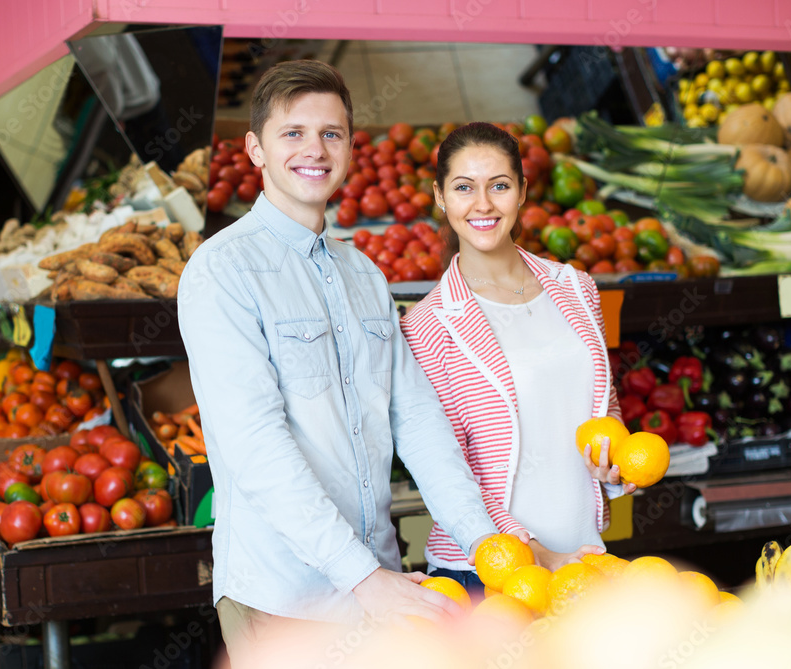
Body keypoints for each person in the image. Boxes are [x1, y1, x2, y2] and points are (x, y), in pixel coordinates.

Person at [176, 62, 503, 658]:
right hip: (284, 597)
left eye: (331, 133)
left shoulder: (364, 274)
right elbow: (256, 445)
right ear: (255, 148)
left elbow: (418, 418)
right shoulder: (221, 272)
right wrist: (360, 575)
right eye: (292, 133)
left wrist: (486, 543)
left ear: (351, 147)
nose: (315, 150)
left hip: (379, 588)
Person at [400, 122, 634, 586]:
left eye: (499, 186)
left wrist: (615, 465)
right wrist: (534, 553)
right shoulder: (428, 326)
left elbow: (602, 408)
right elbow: (448, 471)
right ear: (440, 196)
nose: (483, 204)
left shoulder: (577, 288)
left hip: (586, 558)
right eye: (464, 188)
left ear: (523, 191)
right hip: (491, 571)